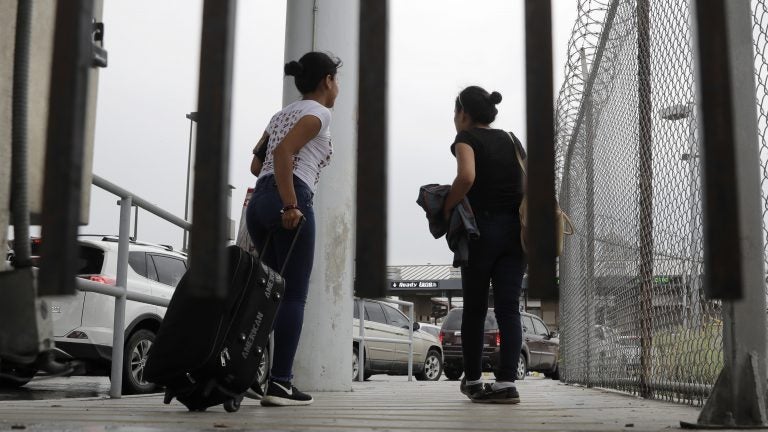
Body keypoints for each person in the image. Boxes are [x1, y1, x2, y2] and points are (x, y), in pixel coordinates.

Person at [246, 51, 341, 407]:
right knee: (293, 294)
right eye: (336, 80)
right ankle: (280, 382)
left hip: (260, 202)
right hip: (291, 198)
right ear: (327, 80)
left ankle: (249, 369)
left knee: (269, 292)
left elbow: (258, 163)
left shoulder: (279, 115)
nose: (337, 88)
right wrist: (290, 203)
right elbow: (285, 152)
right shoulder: (319, 113)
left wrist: (274, 194)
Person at [443, 85, 526, 404]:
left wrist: (449, 205)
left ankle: (474, 379)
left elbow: (466, 176)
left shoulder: (466, 138)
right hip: (515, 233)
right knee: (508, 308)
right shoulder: (511, 139)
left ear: (463, 113)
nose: (454, 119)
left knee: (475, 308)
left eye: (455, 112)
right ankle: (506, 383)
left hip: (482, 231)